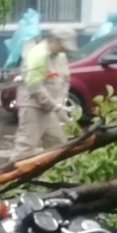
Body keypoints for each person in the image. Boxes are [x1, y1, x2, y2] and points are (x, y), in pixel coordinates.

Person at [10, 28, 77, 161]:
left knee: (58, 143)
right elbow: (35, 87)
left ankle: (59, 176)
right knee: (26, 146)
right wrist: (55, 107)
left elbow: (65, 80)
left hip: (51, 106)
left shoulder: (61, 56)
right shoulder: (37, 54)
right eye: (64, 46)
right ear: (55, 41)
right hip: (32, 105)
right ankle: (13, 177)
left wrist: (60, 101)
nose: (65, 50)